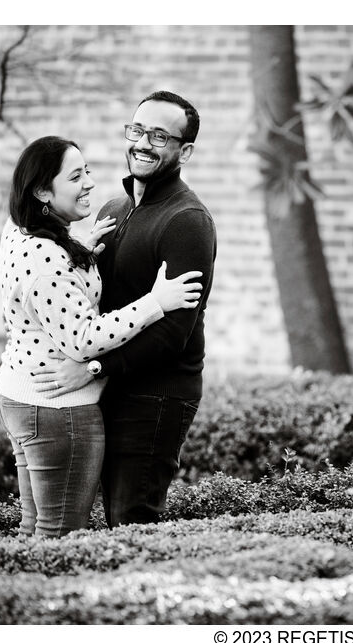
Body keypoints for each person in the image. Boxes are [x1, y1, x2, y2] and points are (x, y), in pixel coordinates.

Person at [0, 135, 203, 537]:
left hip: (21, 392)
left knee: (33, 529)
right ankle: (41, 600)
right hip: (57, 407)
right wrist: (156, 301)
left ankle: (17, 593)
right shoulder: (46, 258)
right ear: (42, 191)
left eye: (86, 170)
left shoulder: (21, 229)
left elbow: (47, 277)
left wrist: (79, 246)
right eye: (75, 176)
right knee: (60, 534)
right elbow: (83, 339)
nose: (89, 182)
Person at [34, 91, 217, 528]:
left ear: (184, 151)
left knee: (132, 519)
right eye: (137, 130)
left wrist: (94, 368)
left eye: (159, 135)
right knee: (92, 520)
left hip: (156, 395)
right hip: (108, 389)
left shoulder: (187, 221)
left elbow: (174, 335)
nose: (143, 143)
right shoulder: (115, 208)